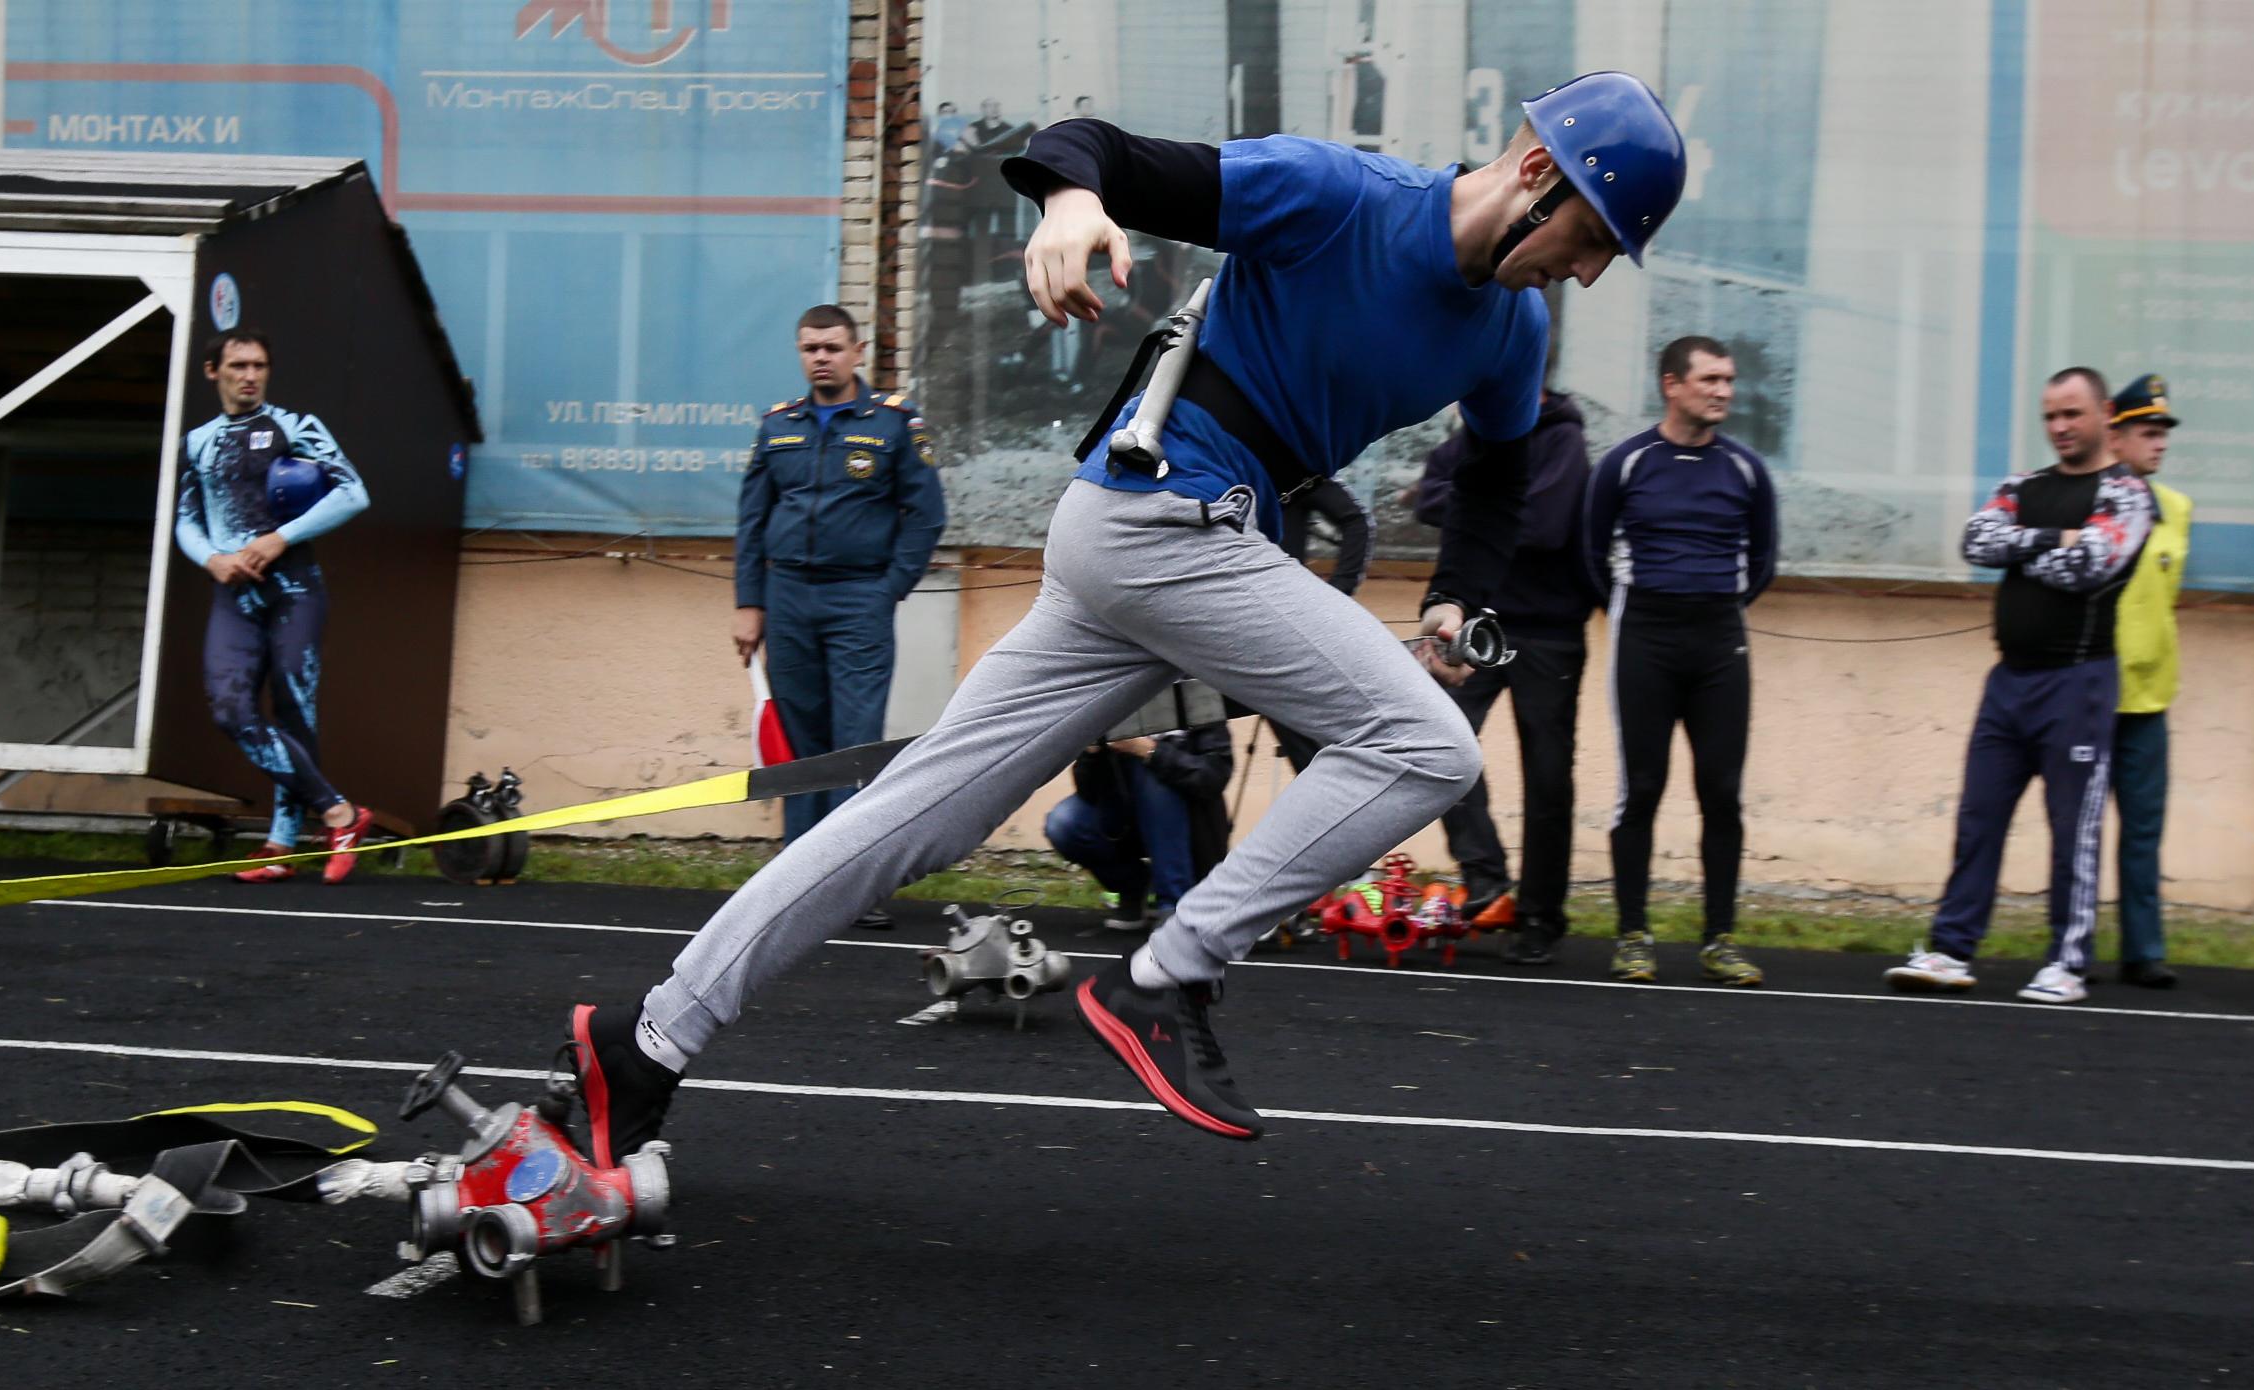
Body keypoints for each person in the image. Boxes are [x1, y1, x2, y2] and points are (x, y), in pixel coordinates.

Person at [551, 72, 1685, 1156]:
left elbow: (1494, 471)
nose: (1585, 274)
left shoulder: (1508, 332)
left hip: (1158, 546)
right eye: (1588, 238)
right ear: (1536, 168)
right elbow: (1090, 148)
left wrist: (1454, 598)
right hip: (1162, 520)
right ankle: (1168, 976)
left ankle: (643, 1043)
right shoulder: (1338, 196)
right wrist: (1072, 201)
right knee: (1422, 746)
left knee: (917, 817)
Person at [1890, 368, 2157, 1004]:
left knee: (2074, 831)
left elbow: (2092, 563)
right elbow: (1977, 540)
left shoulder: (2125, 493)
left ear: (2103, 418)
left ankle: (2068, 962)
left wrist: (2024, 552)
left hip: (2080, 683)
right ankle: (1952, 950)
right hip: (2007, 682)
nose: (2061, 427)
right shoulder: (2023, 486)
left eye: (2073, 414)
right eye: (2050, 416)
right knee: (1978, 818)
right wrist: (2048, 538)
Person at [733, 305, 947, 929]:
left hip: (859, 598)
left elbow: (927, 515)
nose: (820, 357)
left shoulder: (895, 424)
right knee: (800, 749)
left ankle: (854, 885)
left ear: (857, 352)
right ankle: (796, 882)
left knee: (855, 745)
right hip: (789, 600)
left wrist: (889, 589)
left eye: (831, 347)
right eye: (809, 348)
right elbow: (752, 521)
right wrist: (750, 604)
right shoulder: (778, 427)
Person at [1580, 336, 1780, 987]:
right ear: (1672, 384)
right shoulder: (1628, 462)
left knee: (1722, 792)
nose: (1724, 390)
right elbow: (1590, 553)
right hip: (1645, 637)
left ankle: (1720, 938)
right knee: (1640, 788)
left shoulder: (1747, 470)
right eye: (1710, 379)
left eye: (1729, 380)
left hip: (1721, 639)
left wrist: (1710, 603)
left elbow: (1763, 562)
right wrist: (1647, 605)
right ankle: (1634, 935)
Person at [176, 330, 375, 884]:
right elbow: (184, 520)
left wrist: (279, 538)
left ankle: (281, 845)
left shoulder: (294, 425)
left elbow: (353, 493)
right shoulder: (197, 442)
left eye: (259, 365)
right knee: (229, 709)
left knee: (294, 708)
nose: (250, 375)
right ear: (212, 371)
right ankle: (341, 813)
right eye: (238, 365)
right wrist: (212, 559)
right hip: (232, 594)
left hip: (293, 587)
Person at [1413, 389, 1599, 964]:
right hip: (1477, 626)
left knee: (1547, 777)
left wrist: (1478, 505)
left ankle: (1541, 918)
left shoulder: (1562, 438)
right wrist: (1481, 502)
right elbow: (1425, 498)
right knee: (1438, 745)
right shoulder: (1465, 444)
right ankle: (1486, 878)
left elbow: (1545, 524)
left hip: (1549, 631)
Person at [2104, 373, 2189, 990]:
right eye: (2147, 432)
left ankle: (2143, 949)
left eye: (2163, 433)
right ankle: (2070, 947)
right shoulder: (2088, 499)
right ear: (2117, 435)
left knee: (2144, 832)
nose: (2158, 443)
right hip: (2087, 690)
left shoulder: (2178, 510)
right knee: (2074, 830)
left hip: (2149, 700)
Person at [1046, 726, 1238, 929]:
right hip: (1124, 824)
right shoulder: (1112, 703)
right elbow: (1087, 792)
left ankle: (1175, 908)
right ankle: (1135, 888)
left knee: (1154, 776)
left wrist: (1149, 751)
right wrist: (1091, 754)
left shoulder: (1196, 700)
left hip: (1187, 829)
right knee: (1063, 823)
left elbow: (1214, 776)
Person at [1265, 476, 1376, 774]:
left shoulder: (1288, 466)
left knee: (1315, 751)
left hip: (1286, 631)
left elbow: (1356, 521)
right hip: (1216, 625)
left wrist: (1336, 593)